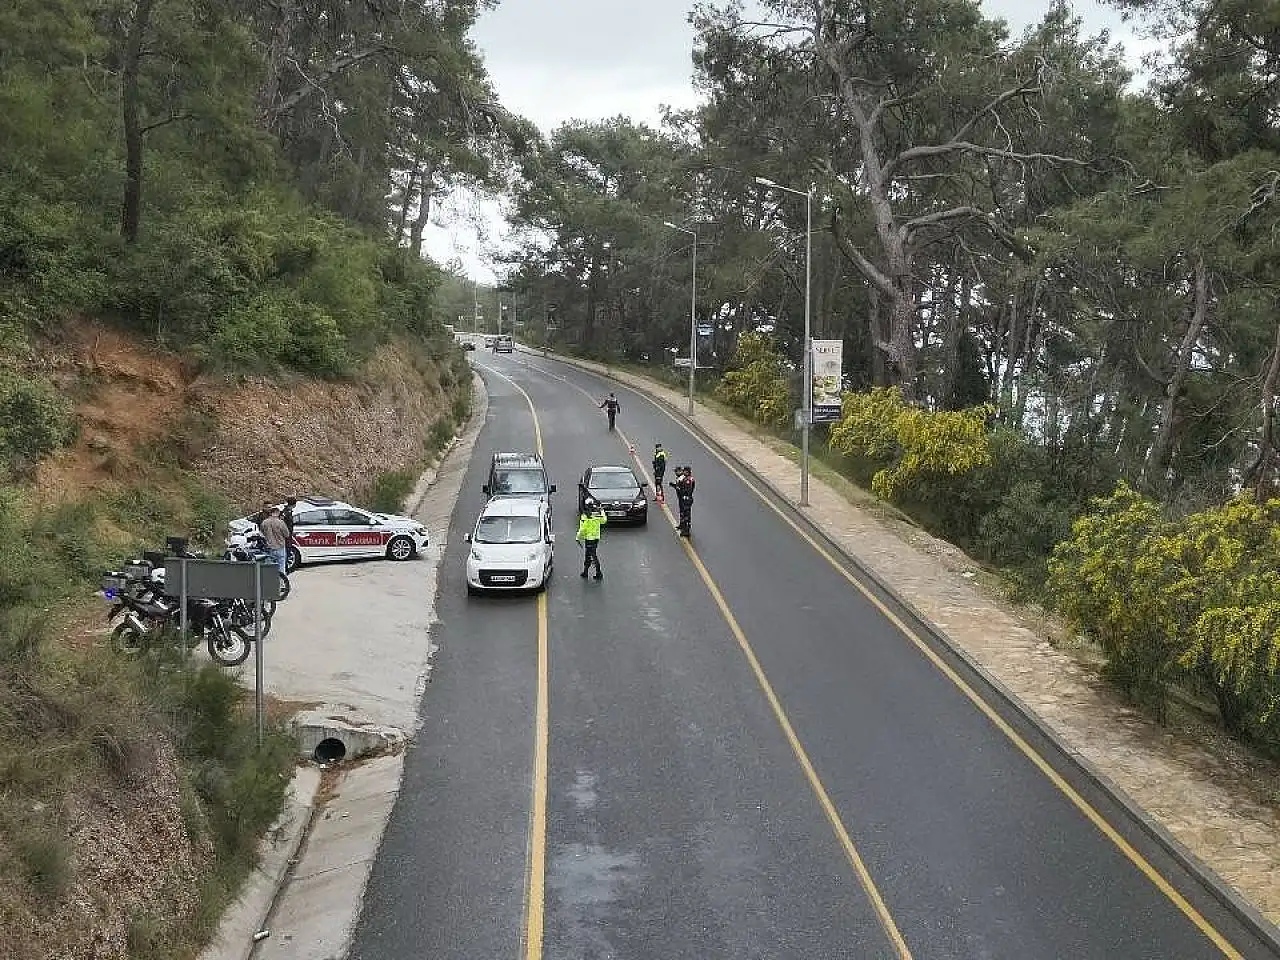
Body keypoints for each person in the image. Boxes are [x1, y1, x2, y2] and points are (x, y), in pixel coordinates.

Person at [576, 498, 607, 580]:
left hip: (589, 539)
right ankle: (585, 572)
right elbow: (604, 520)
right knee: (588, 555)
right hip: (596, 538)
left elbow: (583, 529)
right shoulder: (597, 514)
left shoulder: (585, 516)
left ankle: (598, 573)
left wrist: (578, 537)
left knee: (592, 556)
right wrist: (602, 511)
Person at [259, 505, 291, 573]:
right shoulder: (281, 522)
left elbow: (261, 533)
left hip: (269, 547)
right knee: (281, 567)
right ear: (278, 513)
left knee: (270, 568)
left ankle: (271, 581)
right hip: (280, 547)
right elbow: (287, 534)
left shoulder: (264, 522)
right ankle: (281, 582)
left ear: (270, 513)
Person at [670, 465, 695, 536]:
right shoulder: (684, 479)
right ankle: (682, 525)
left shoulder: (688, 480)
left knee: (686, 515)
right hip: (682, 498)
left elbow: (687, 490)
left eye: (684, 471)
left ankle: (686, 530)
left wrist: (678, 489)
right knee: (682, 513)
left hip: (686, 499)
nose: (683, 472)